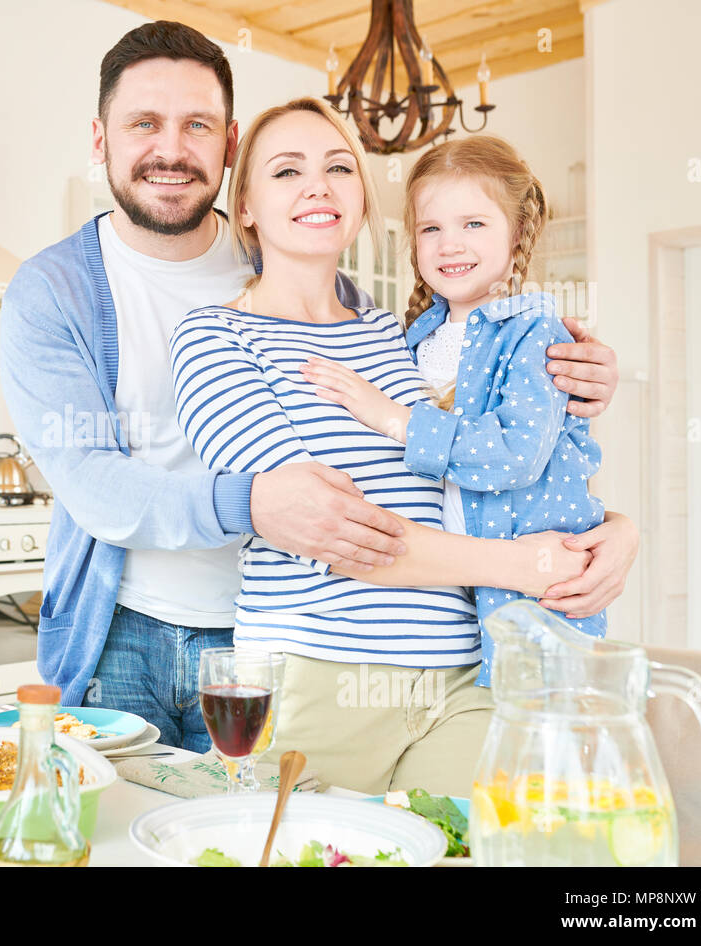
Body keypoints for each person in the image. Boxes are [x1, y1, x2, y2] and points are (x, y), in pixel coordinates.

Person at [0, 20, 630, 752]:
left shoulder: (368, 316)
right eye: (144, 123)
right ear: (102, 138)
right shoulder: (57, 291)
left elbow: (463, 464)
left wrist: (609, 524)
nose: (170, 149)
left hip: (273, 639)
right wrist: (260, 503)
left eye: (195, 124)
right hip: (133, 628)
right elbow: (97, 486)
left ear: (228, 147)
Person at [171, 98, 602, 793]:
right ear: (244, 206)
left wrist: (616, 532)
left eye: (339, 166)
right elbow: (336, 533)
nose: (318, 185)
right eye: (287, 172)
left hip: (464, 674)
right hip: (320, 680)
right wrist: (531, 566)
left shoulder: (408, 336)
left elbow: (502, 470)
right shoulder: (215, 338)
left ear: (363, 198)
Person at [300, 136, 607, 688]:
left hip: (539, 592)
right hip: (452, 602)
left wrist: (395, 418)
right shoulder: (415, 337)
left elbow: (514, 457)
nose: (450, 245)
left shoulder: (534, 332)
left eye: (474, 224)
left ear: (517, 236)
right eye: (431, 228)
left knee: (539, 751)